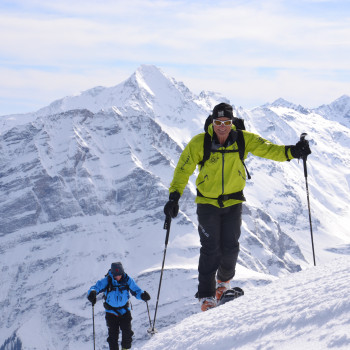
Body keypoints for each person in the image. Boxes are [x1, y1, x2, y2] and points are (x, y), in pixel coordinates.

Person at [164, 102, 311, 312]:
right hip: (207, 203)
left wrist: (293, 152)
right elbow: (182, 169)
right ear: (212, 122)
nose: (221, 126)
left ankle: (223, 284)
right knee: (210, 250)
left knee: (231, 247)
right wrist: (174, 197)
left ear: (231, 123)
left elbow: (269, 149)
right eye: (217, 122)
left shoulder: (243, 138)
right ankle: (206, 297)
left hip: (233, 201)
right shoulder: (200, 143)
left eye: (226, 122)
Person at [87, 262, 150, 350]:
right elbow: (95, 288)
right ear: (112, 273)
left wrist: (143, 295)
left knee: (127, 333)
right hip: (111, 312)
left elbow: (136, 291)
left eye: (119, 275)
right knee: (113, 337)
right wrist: (92, 293)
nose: (118, 277)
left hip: (125, 311)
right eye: (116, 275)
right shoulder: (107, 280)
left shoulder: (128, 280)